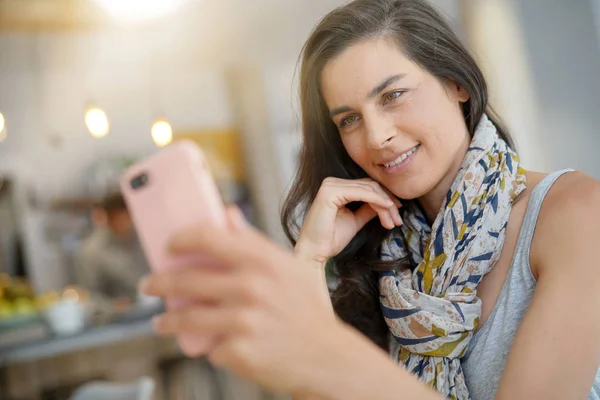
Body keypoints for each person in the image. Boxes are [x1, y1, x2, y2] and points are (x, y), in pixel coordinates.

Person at [139, 0, 600, 399]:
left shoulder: (577, 213)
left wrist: (327, 351)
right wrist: (310, 260)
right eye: (349, 121)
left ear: (456, 83)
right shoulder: (391, 263)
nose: (377, 136)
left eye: (394, 96)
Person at [77, 192, 149, 311]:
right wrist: (112, 306)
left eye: (130, 216)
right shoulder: (91, 251)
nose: (128, 223)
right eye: (121, 217)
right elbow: (87, 295)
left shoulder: (144, 238)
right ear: (109, 218)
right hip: (118, 318)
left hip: (154, 308)